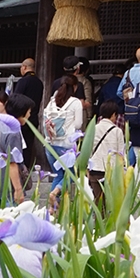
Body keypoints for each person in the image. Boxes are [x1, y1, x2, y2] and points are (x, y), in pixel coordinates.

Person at [42, 74, 85, 206]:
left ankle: (54, 207)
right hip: (66, 144)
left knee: (58, 174)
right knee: (70, 175)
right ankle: (54, 194)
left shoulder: (52, 101)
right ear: (75, 87)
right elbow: (78, 124)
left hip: (49, 143)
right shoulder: (76, 102)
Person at [0, 92, 34, 204]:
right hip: (7, 190)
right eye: (29, 112)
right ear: (22, 112)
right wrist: (18, 189)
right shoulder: (13, 132)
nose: (29, 116)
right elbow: (12, 163)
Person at [86, 100, 128, 206]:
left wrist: (87, 168)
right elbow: (121, 154)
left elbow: (88, 150)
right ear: (114, 114)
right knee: (111, 203)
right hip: (111, 171)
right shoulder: (117, 131)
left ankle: (98, 221)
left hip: (95, 169)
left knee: (98, 202)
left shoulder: (93, 129)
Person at [14, 58, 45, 175]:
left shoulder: (23, 82)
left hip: (21, 118)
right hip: (33, 118)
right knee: (28, 145)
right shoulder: (39, 82)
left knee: (19, 145)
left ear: (24, 67)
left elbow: (16, 99)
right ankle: (26, 169)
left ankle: (18, 168)